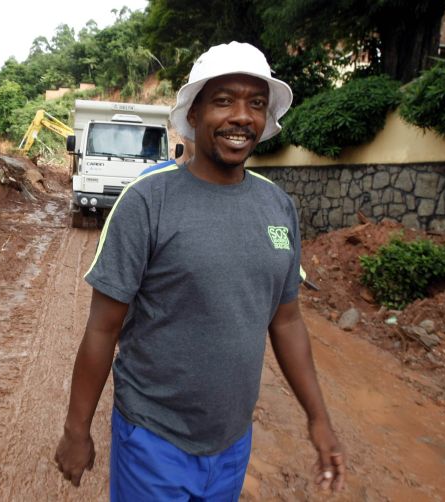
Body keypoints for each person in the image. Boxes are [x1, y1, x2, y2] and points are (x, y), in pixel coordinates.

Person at [55, 42, 346, 501]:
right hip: (153, 438)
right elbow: (102, 328)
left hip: (231, 443)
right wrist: (77, 430)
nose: (242, 116)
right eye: (224, 100)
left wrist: (318, 417)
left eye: (255, 103)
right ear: (194, 114)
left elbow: (286, 319)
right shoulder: (148, 202)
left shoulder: (277, 206)